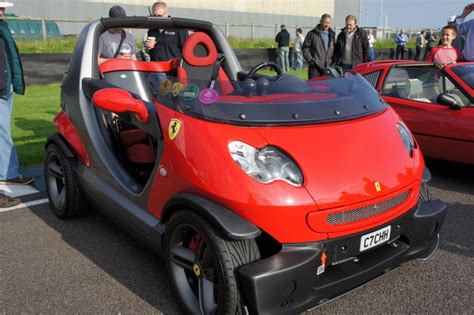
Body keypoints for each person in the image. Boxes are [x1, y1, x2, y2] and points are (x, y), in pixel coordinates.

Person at [0, 0, 35, 196]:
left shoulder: (3, 26)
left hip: (6, 86)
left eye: (3, 6)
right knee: (3, 132)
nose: (2, 10)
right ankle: (9, 173)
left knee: (3, 130)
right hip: (1, 87)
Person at [302, 14, 336, 78]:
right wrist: (311, 61)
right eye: (325, 22)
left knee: (326, 87)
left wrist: (332, 64)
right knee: (313, 87)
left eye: (328, 23)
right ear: (320, 21)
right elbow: (305, 48)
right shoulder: (312, 33)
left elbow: (333, 50)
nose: (327, 24)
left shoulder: (332, 35)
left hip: (328, 68)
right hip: (315, 68)